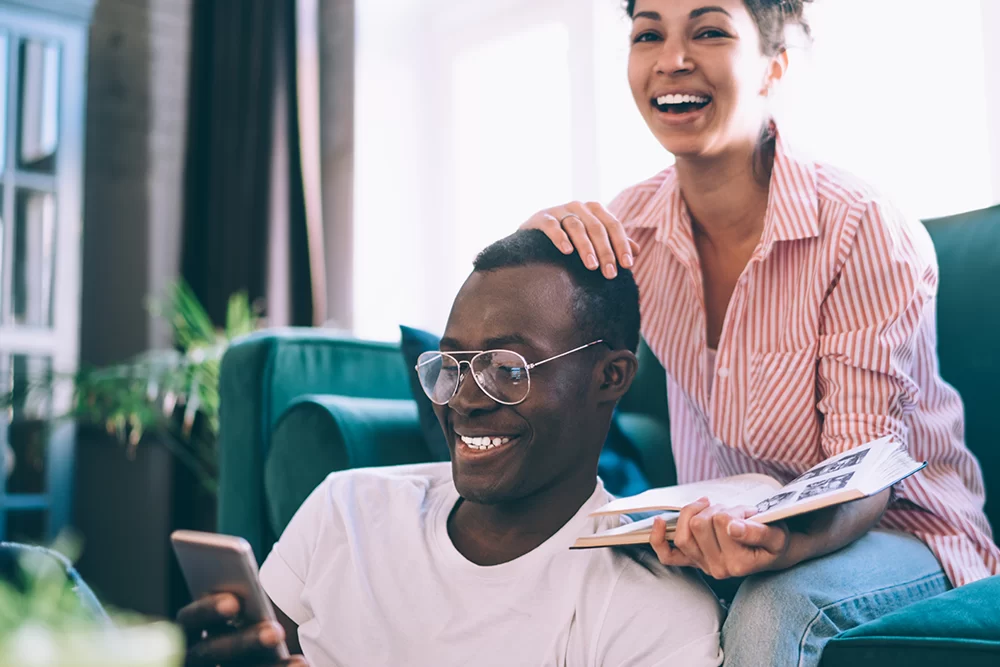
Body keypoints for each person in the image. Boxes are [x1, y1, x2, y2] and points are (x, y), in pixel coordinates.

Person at [521, 0, 1000, 665]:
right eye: (649, 33)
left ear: (774, 65)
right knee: (584, 583)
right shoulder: (631, 229)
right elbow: (533, 366)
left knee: (773, 606)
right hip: (722, 527)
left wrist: (786, 546)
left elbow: (868, 471)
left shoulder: (861, 227)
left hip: (901, 529)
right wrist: (533, 249)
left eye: (709, 31)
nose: (671, 59)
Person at [177, 230, 725, 667]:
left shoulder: (650, 611)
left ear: (610, 376)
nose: (463, 400)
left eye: (507, 368)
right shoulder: (345, 509)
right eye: (451, 365)